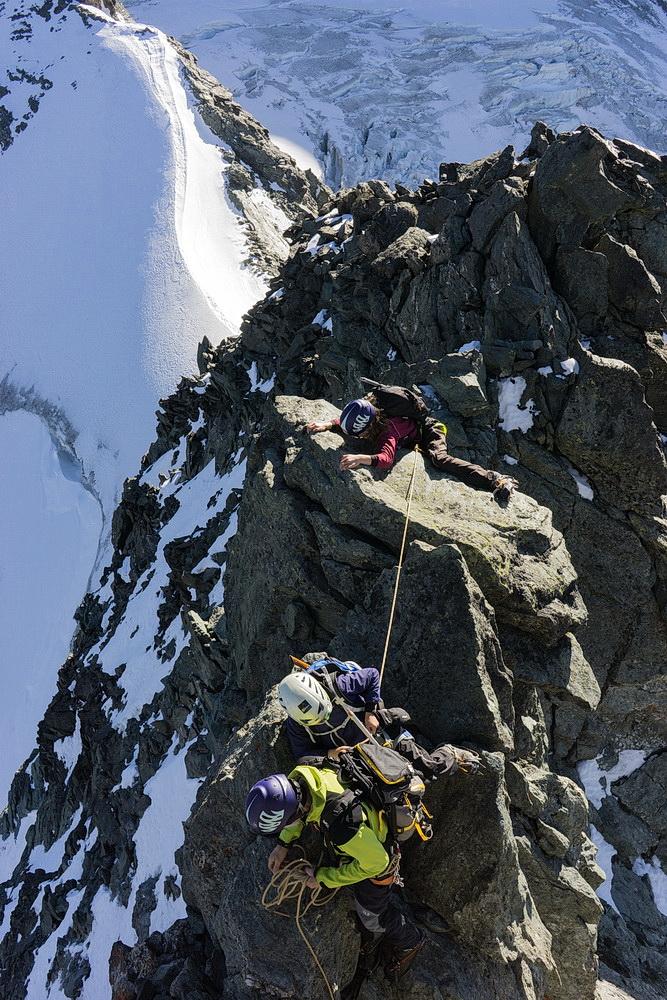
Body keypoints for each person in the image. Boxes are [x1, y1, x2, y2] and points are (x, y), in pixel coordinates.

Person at [245, 764, 425, 984]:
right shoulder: (305, 777)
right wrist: (284, 843)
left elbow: (378, 863)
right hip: (363, 828)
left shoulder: (341, 826)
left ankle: (411, 939)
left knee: (371, 917)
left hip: (376, 854)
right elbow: (299, 812)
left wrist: (323, 878)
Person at [278, 656, 480, 781]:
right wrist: (330, 753)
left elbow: (372, 675)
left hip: (381, 734)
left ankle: (449, 753)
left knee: (427, 768)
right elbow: (302, 756)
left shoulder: (340, 685)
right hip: (356, 759)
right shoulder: (296, 724)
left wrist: (370, 711)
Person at [306, 397, 518, 503]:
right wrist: (328, 424)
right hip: (414, 430)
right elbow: (349, 419)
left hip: (430, 431)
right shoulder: (372, 406)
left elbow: (386, 459)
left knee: (439, 459)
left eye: (358, 434)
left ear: (369, 427)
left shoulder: (388, 431)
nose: (356, 438)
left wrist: (362, 458)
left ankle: (494, 479)